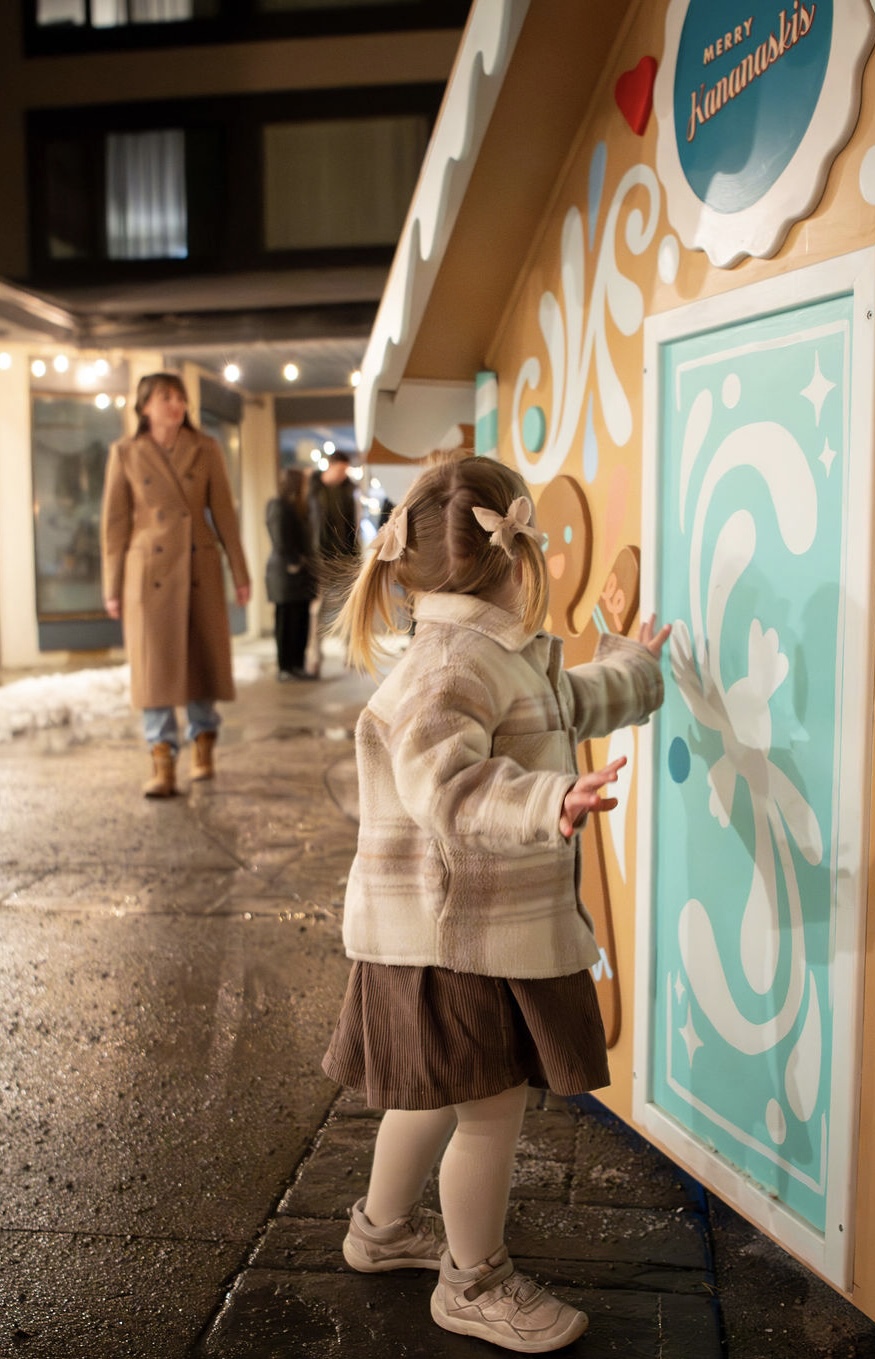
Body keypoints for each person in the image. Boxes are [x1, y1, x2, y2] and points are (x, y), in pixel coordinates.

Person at [320, 454, 670, 1353]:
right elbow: (448, 784)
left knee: (438, 1097)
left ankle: (382, 1228)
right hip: (452, 934)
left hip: (439, 930)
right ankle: (472, 1282)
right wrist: (545, 801)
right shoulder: (453, 666)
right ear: (516, 557)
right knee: (487, 1107)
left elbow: (562, 703)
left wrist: (634, 669)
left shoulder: (488, 652)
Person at [101, 372, 251, 798]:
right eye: (167, 397)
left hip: (199, 565)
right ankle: (162, 758)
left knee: (200, 659)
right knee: (154, 667)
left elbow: (224, 515)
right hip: (147, 572)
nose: (176, 405)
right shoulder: (126, 453)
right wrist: (111, 586)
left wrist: (240, 574)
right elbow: (114, 524)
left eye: (180, 398)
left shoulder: (206, 449)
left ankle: (204, 743)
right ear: (145, 406)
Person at [306, 449, 362, 675]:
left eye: (345, 470)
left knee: (350, 607)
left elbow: (354, 524)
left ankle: (352, 653)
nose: (343, 474)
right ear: (330, 466)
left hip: (345, 556)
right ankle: (314, 656)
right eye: (340, 470)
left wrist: (356, 556)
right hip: (320, 557)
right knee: (317, 610)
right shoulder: (313, 488)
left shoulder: (349, 489)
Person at [264, 467, 318, 681]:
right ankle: (286, 667)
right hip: (286, 575)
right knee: (286, 622)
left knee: (301, 621)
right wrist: (294, 562)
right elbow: (281, 540)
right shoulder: (279, 506)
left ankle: (297, 665)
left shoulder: (300, 507)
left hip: (301, 575)